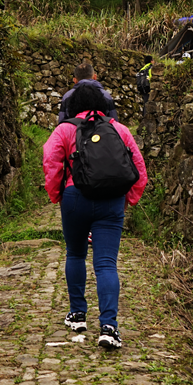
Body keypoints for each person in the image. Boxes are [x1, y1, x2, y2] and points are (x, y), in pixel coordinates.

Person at [42, 84, 147, 350]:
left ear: (72, 105)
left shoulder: (64, 129)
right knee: (106, 264)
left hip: (74, 199)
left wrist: (57, 195)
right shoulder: (119, 129)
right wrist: (128, 200)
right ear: (103, 105)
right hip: (111, 202)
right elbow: (139, 168)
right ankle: (109, 328)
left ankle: (77, 316)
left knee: (75, 254)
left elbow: (51, 162)